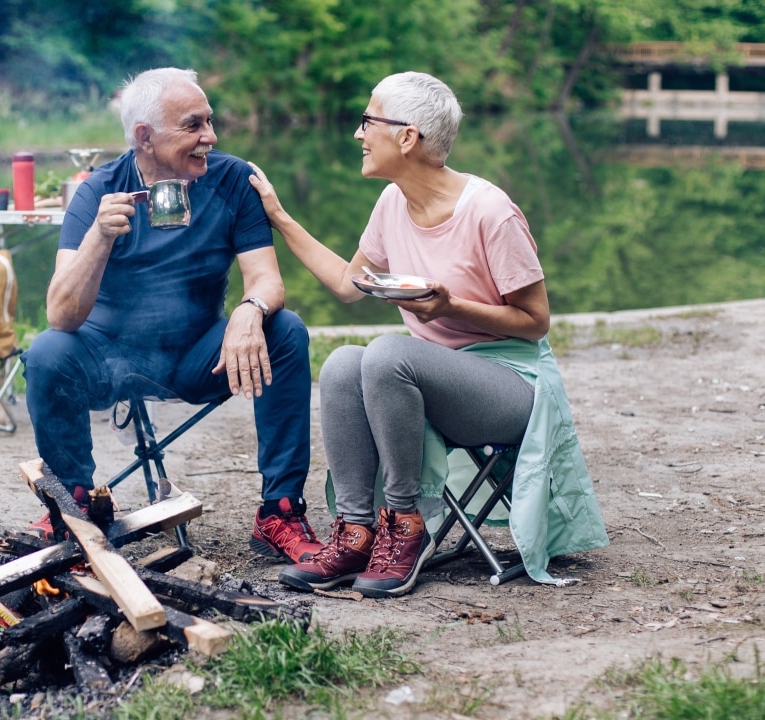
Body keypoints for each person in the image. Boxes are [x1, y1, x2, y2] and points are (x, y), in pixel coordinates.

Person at [247, 71, 608, 598]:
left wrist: (450, 306)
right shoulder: (393, 202)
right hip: (434, 375)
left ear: (407, 137)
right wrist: (278, 216)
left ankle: (405, 523)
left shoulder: (489, 211)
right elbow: (350, 285)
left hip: (513, 383)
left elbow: (535, 322)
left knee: (390, 353)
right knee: (346, 362)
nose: (358, 133)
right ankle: (355, 531)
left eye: (368, 121)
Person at [23, 67, 323, 564]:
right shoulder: (98, 191)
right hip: (109, 358)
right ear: (144, 137)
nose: (211, 136)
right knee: (48, 350)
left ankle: (280, 512)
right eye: (193, 125)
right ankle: (72, 507)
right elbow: (61, 314)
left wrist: (251, 309)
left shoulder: (231, 180)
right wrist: (99, 237)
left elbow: (267, 280)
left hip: (198, 355)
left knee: (284, 330)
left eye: (210, 121)